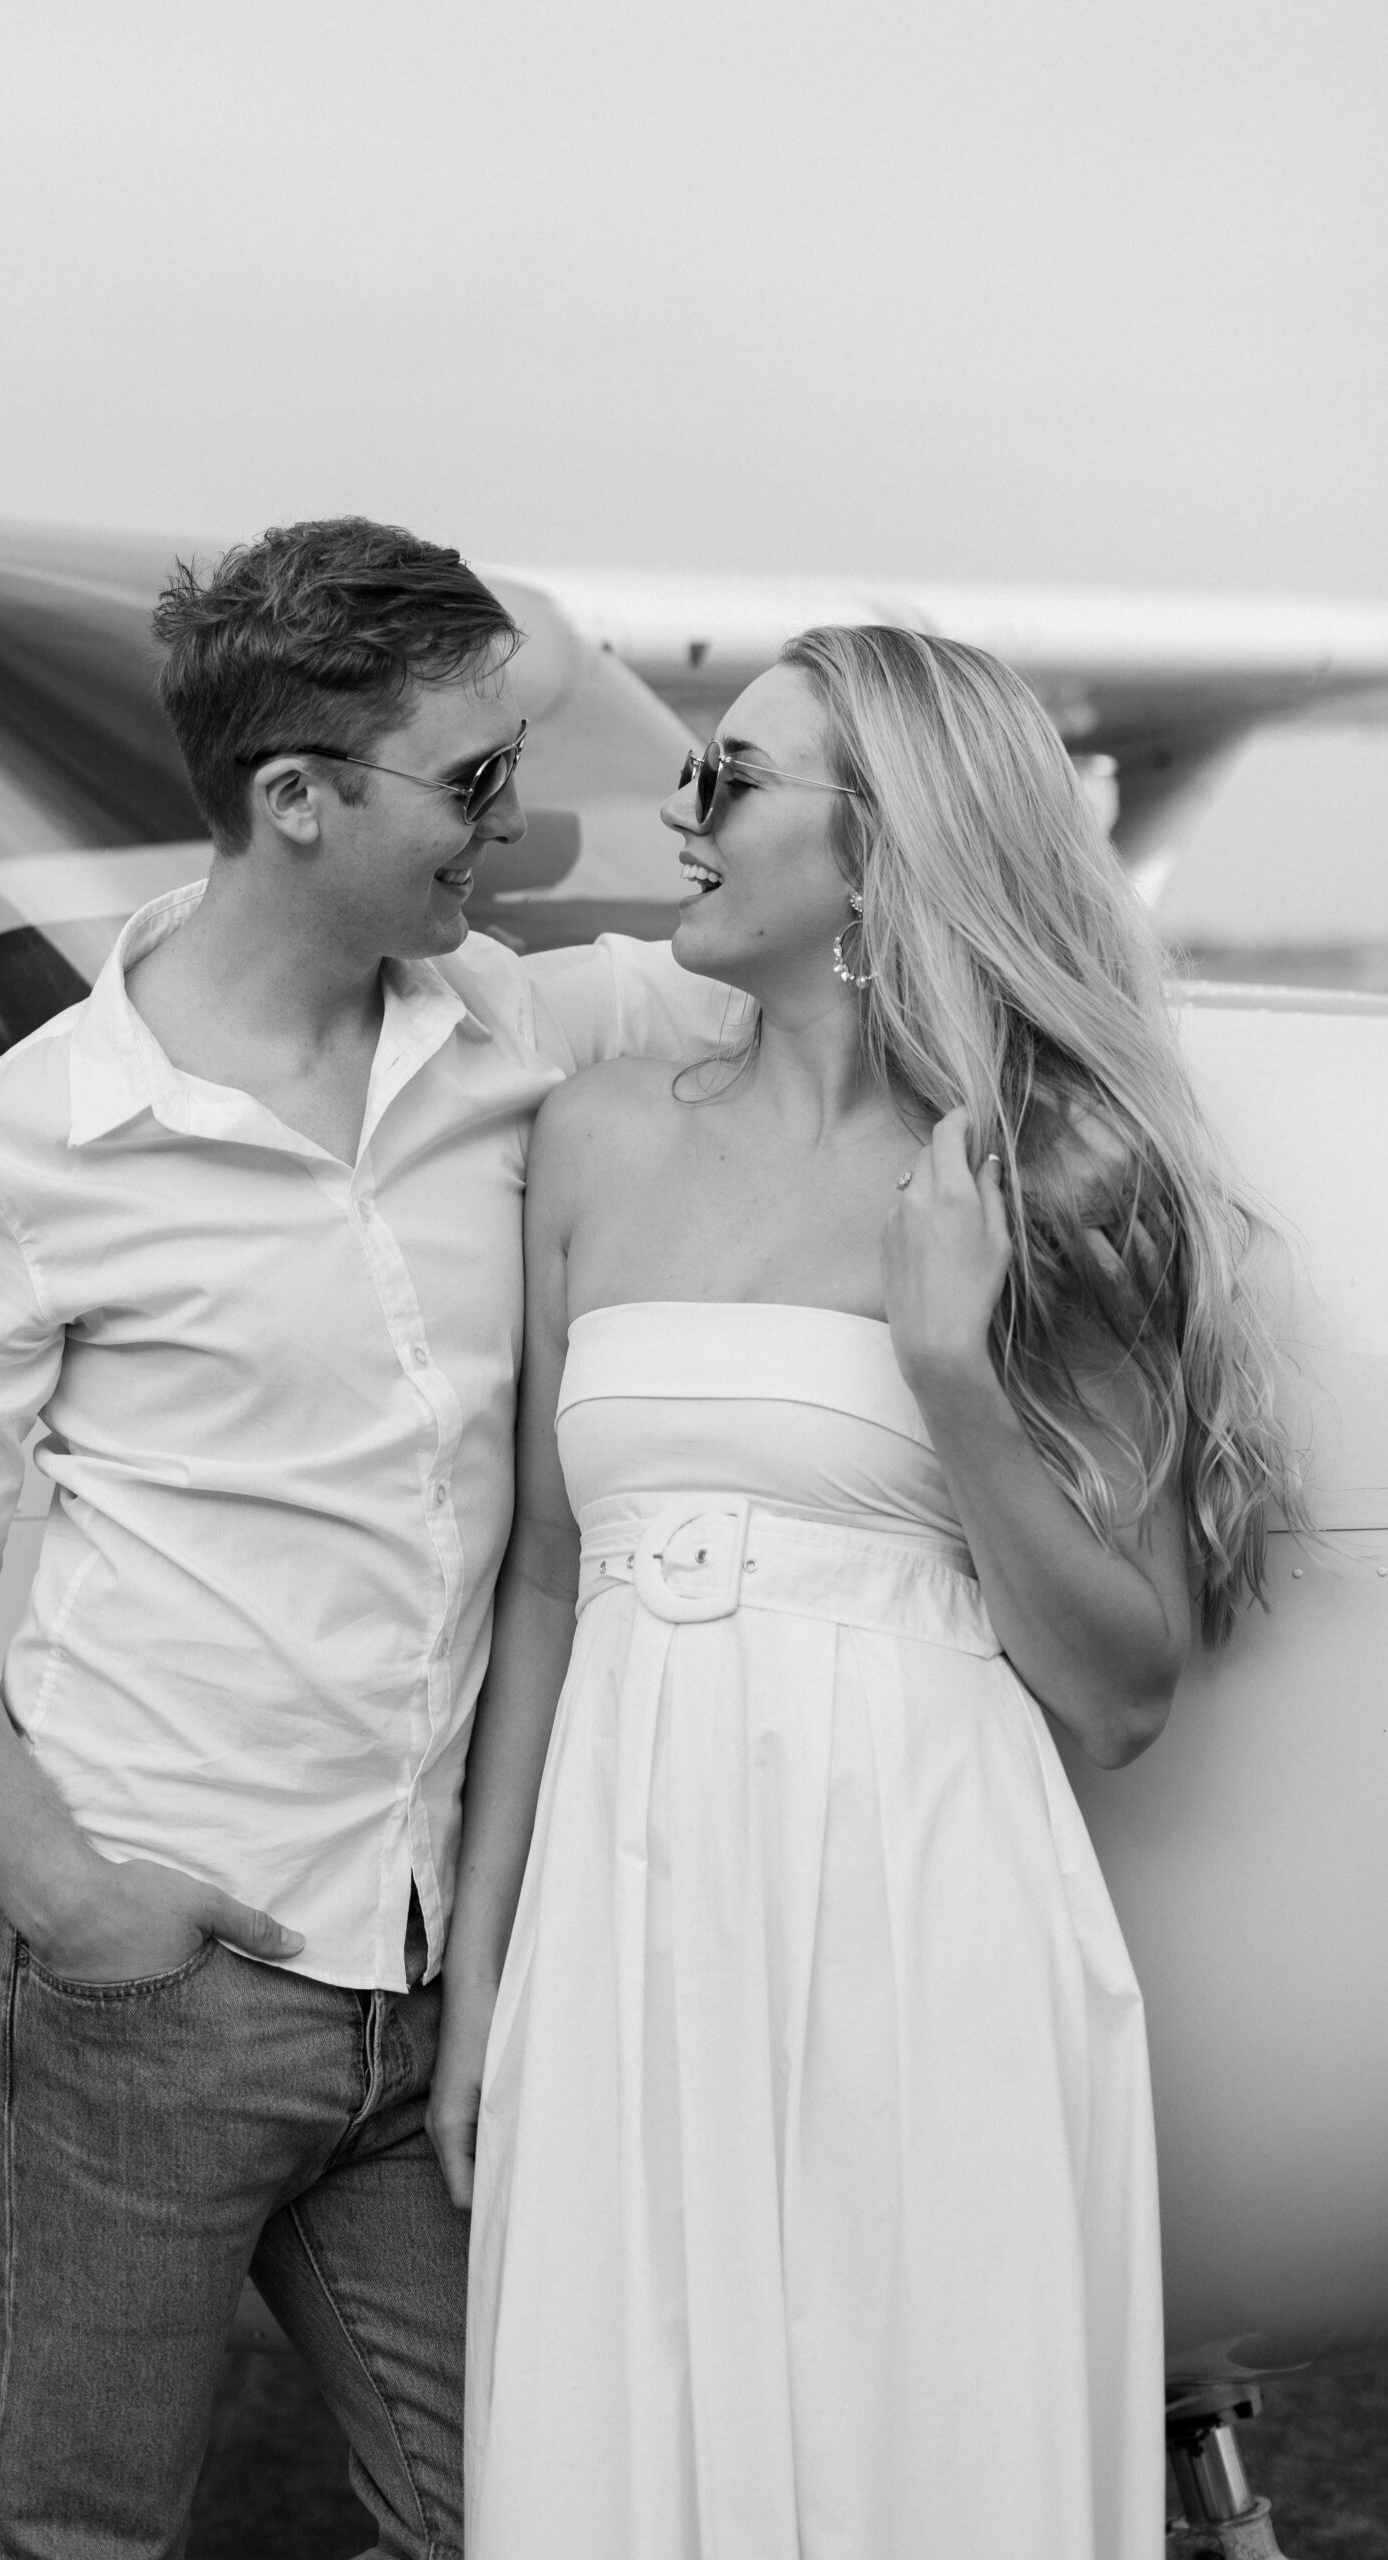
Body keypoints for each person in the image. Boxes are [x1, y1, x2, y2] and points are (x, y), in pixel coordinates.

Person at [0, 517, 726, 2560]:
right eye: (478, 781)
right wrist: (62, 1893)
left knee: (524, 2511)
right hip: (143, 1987)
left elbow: (806, 959)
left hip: (435, 1990)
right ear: (292, 799)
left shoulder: (514, 1033)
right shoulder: (24, 1140)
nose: (516, 827)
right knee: (65, 2531)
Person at [430, 625, 1302, 2560]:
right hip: (627, 1920)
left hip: (924, 1918)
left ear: (886, 842)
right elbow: (548, 1590)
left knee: (925, 2458)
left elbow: (1121, 1687)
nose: (681, 812)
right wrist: (484, 1975)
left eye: (729, 780)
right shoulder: (590, 1142)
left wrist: (954, 1378)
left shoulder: (1053, 1179)